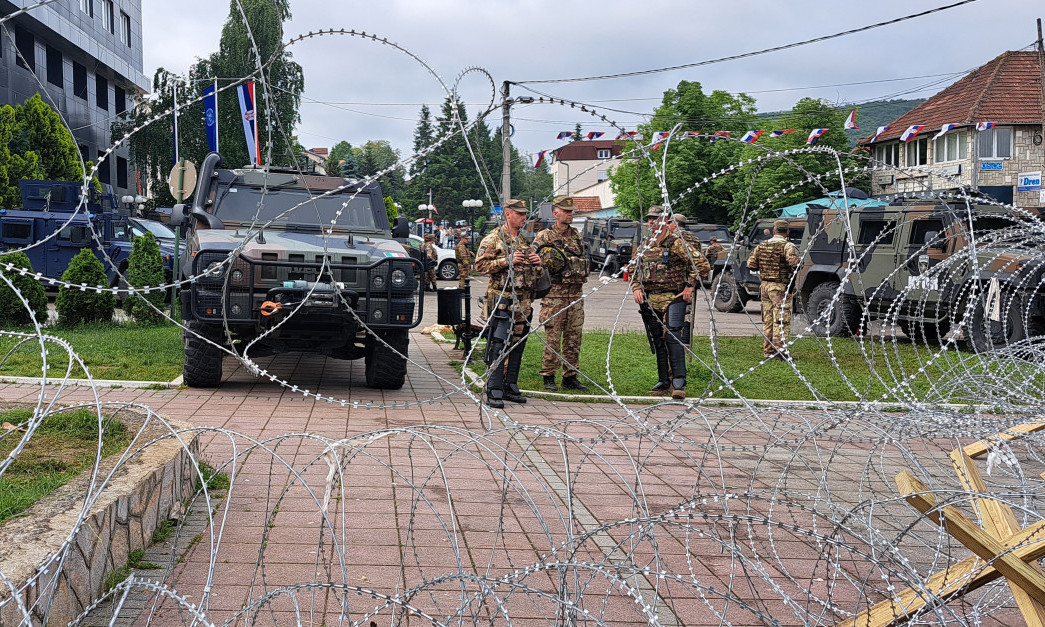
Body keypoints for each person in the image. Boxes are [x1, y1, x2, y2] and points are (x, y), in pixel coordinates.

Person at [474, 199, 543, 408]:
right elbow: (479, 265)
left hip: (523, 302)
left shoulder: (523, 240)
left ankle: (510, 384)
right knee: (499, 343)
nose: (523, 218)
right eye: (520, 214)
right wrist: (507, 261)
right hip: (502, 302)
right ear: (508, 214)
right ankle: (494, 387)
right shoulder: (494, 239)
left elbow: (533, 271)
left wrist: (538, 264)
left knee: (517, 345)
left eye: (525, 214)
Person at [630, 206, 698, 399]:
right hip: (651, 298)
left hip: (673, 297)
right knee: (658, 340)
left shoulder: (676, 243)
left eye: (657, 218)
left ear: (666, 220)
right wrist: (636, 287)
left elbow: (700, 264)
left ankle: (679, 383)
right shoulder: (645, 245)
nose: (652, 222)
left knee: (673, 338)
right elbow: (634, 269)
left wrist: (689, 286)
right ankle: (663, 381)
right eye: (650, 219)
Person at [534, 196, 589, 392]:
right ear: (555, 213)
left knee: (574, 337)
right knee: (553, 337)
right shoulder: (544, 237)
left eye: (572, 211)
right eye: (566, 211)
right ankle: (549, 375)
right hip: (555, 294)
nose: (570, 214)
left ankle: (570, 375)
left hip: (575, 293)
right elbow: (538, 264)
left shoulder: (576, 235)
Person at [747, 218, 801, 360]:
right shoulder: (788, 246)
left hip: (764, 286)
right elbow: (794, 264)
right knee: (781, 319)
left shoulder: (762, 245)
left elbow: (751, 264)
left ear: (773, 231)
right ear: (787, 232)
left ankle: (768, 351)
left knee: (769, 320)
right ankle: (780, 351)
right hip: (779, 287)